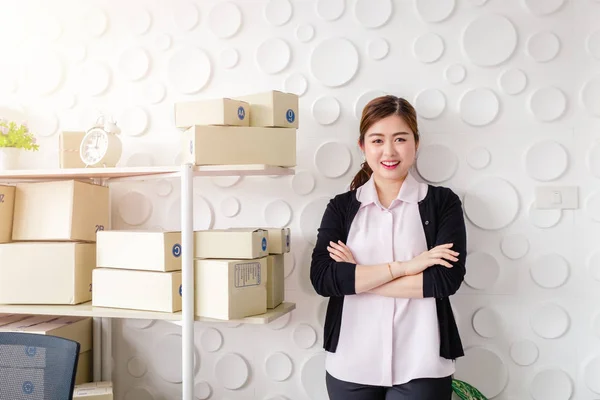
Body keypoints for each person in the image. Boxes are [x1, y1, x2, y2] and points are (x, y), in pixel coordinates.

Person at [310, 95, 467, 400]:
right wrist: (407, 267)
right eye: (377, 140)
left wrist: (357, 277)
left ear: (416, 142)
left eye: (400, 139)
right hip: (351, 361)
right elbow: (324, 279)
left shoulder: (442, 203)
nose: (389, 151)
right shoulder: (342, 208)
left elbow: (444, 280)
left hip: (422, 360)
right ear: (363, 146)